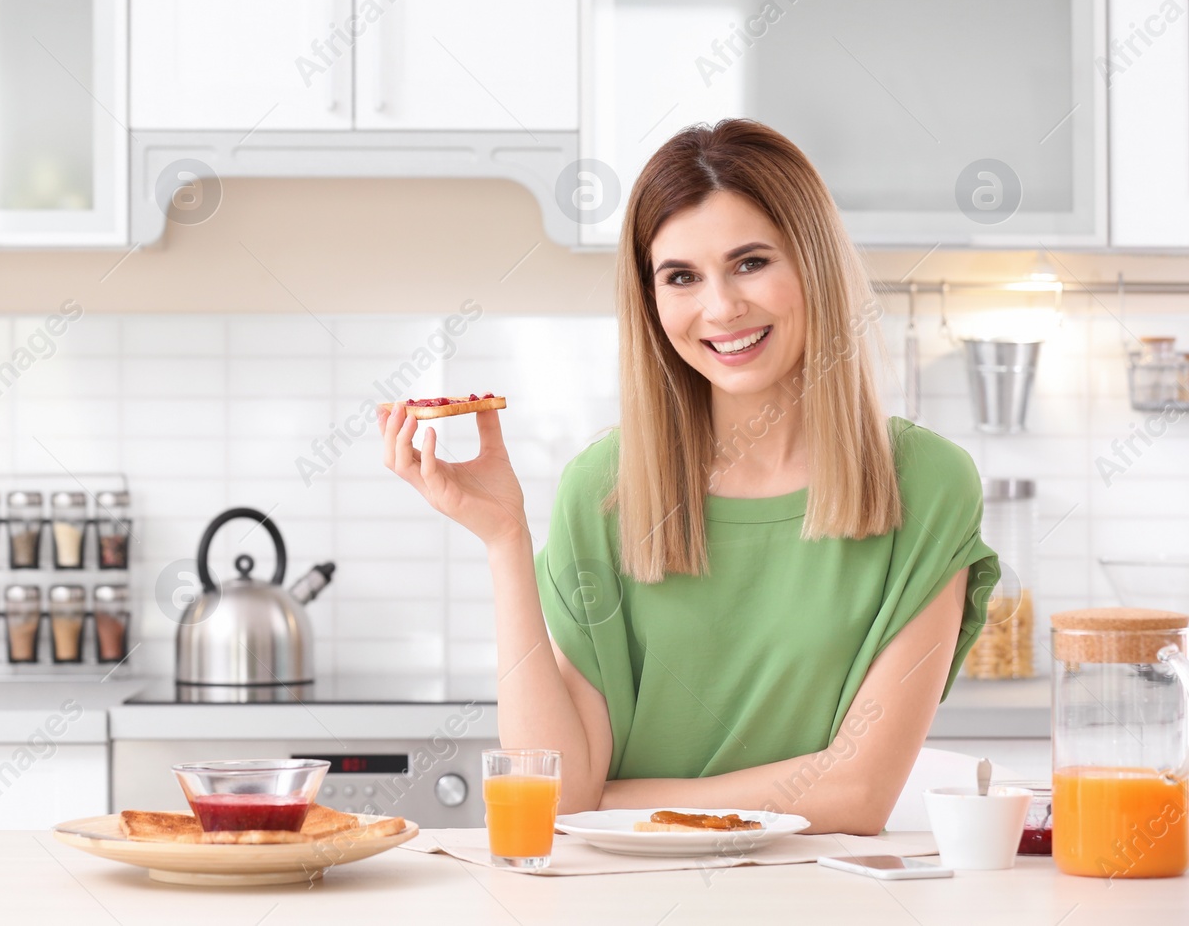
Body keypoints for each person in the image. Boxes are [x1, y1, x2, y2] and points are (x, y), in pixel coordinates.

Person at [378, 119, 999, 835]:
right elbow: (556, 786)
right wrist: (504, 540)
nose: (721, 307)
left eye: (751, 262)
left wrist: (619, 803)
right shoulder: (603, 489)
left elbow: (856, 794)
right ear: (651, 299)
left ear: (815, 262)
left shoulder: (925, 486)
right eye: (681, 277)